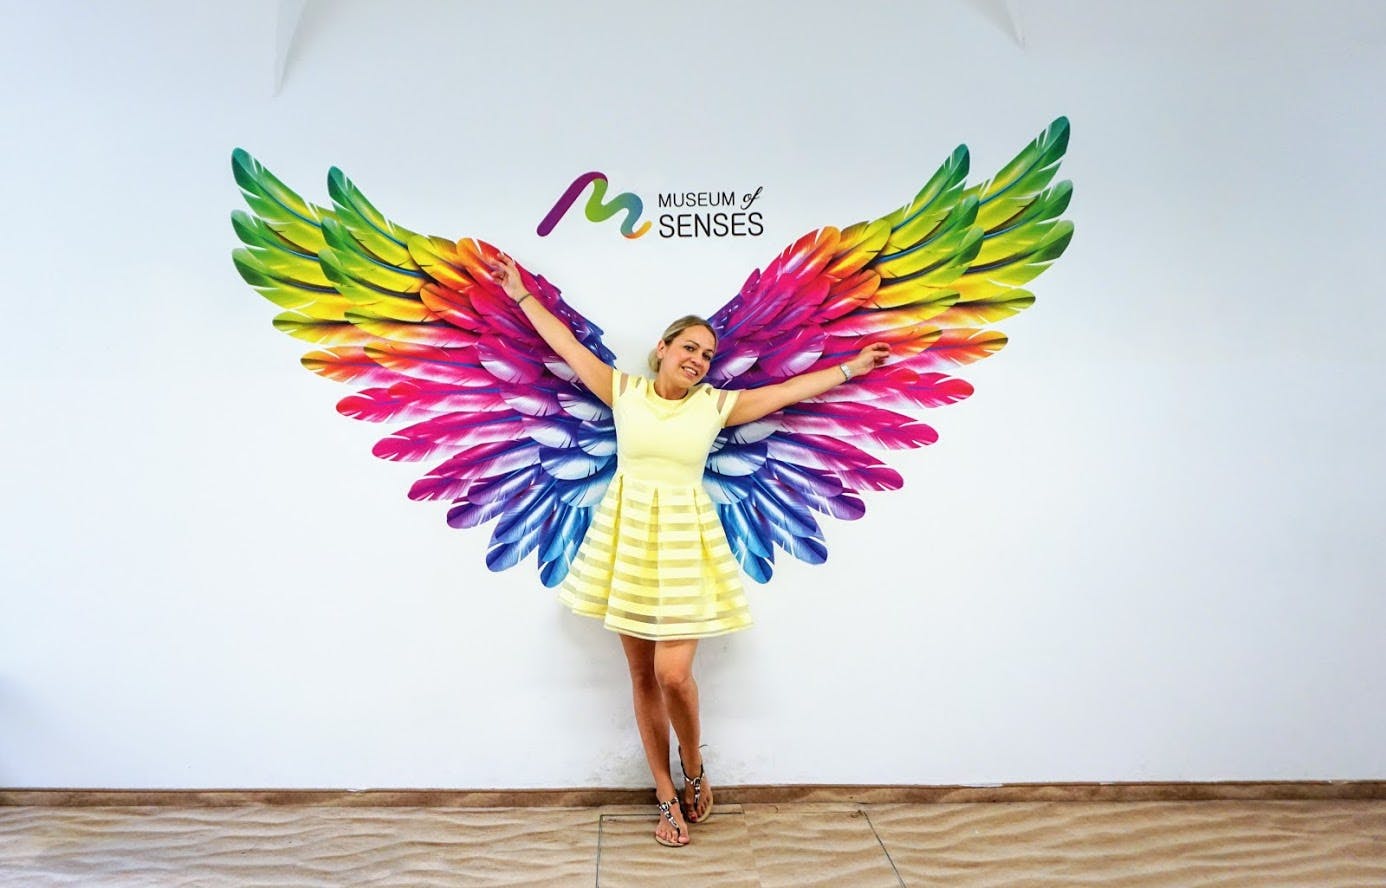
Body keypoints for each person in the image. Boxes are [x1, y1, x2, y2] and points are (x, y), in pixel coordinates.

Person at [489, 255, 888, 847]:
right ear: (663, 348)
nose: (698, 360)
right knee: (641, 675)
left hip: (684, 542)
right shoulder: (623, 391)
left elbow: (785, 391)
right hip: (628, 539)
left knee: (673, 675)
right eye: (690, 348)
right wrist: (522, 294)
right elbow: (566, 345)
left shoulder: (716, 405)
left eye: (707, 354)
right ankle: (665, 795)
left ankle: (695, 766)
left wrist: (851, 369)